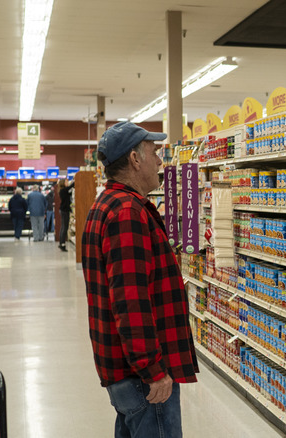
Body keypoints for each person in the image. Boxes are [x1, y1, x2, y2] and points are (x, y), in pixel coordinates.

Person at [81, 122, 198, 438]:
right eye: (154, 152)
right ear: (134, 158)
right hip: (141, 376)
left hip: (125, 369)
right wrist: (153, 371)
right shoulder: (126, 212)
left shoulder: (107, 205)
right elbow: (130, 302)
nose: (160, 161)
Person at [58, 179, 74, 251]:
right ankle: (62, 244)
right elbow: (70, 186)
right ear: (63, 183)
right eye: (66, 182)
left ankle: (61, 243)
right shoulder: (63, 190)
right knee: (65, 228)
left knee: (63, 227)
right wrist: (75, 181)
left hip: (63, 210)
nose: (67, 183)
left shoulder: (63, 191)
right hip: (65, 211)